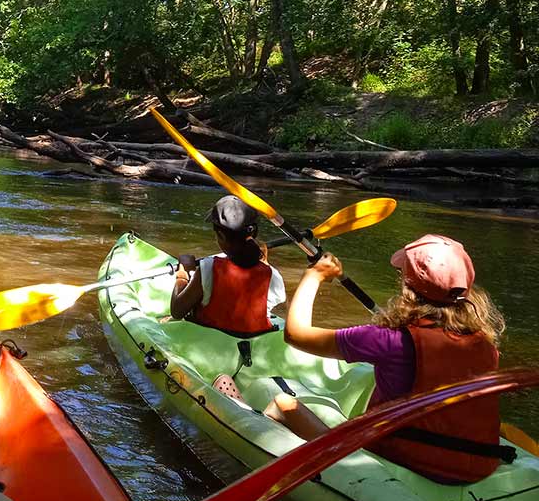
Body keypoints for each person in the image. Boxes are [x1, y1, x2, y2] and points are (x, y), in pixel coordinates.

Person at [267, 234, 509, 484]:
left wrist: (314, 276)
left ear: (407, 285)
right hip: (477, 465)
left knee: (283, 404)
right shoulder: (485, 344)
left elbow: (295, 334)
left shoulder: (389, 340)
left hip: (407, 457)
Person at [168, 195, 286, 339]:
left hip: (210, 344)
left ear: (221, 236)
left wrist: (183, 272)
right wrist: (264, 263)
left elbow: (177, 310)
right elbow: (272, 295)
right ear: (254, 233)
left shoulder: (208, 268)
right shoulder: (272, 275)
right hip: (253, 344)